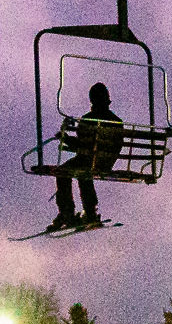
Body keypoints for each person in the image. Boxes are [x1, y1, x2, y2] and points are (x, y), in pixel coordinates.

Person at [51, 83, 124, 231]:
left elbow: (81, 146)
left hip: (86, 160)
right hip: (105, 163)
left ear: (92, 100)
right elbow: (117, 146)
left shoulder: (86, 120)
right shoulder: (117, 121)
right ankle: (90, 211)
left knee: (63, 171)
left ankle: (67, 213)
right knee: (85, 173)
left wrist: (64, 138)